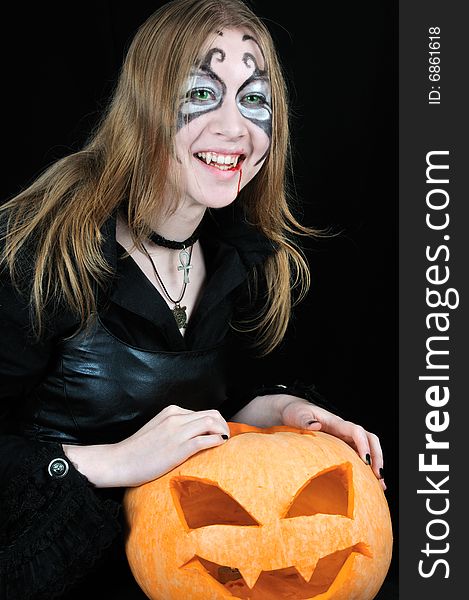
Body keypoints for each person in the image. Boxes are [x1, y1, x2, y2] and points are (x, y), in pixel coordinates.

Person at [0, 0, 386, 598]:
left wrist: (279, 418)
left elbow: (203, 414)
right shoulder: (44, 251)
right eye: (202, 93)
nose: (235, 128)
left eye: (254, 99)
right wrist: (116, 460)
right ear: (147, 104)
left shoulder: (241, 256)